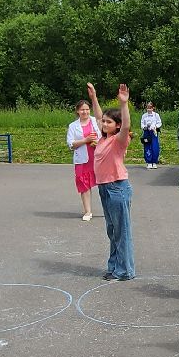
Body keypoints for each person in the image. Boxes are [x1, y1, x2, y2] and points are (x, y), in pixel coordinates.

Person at [88, 81, 135, 281]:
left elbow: (126, 126)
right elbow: (98, 116)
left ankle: (125, 271)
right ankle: (114, 266)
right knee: (112, 230)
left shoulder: (119, 140)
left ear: (116, 125)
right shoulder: (103, 138)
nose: (104, 124)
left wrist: (124, 104)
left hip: (117, 188)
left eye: (109, 122)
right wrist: (94, 98)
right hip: (105, 188)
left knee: (121, 231)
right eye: (104, 122)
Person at [66, 98, 101, 221]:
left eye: (87, 109)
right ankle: (88, 211)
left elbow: (104, 137)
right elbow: (71, 144)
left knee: (103, 184)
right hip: (82, 159)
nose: (85, 112)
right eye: (82, 110)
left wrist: (97, 142)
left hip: (97, 157)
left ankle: (108, 209)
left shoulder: (96, 121)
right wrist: (85, 140)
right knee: (84, 185)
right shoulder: (73, 126)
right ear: (77, 111)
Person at [140, 100, 163, 169]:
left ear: (153, 108)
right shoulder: (144, 115)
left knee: (155, 147)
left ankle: (154, 161)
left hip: (154, 132)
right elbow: (142, 124)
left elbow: (159, 123)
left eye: (150, 108)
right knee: (147, 146)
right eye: (147, 108)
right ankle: (149, 162)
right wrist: (145, 127)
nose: (149, 109)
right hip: (147, 132)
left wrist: (155, 126)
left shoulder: (156, 115)